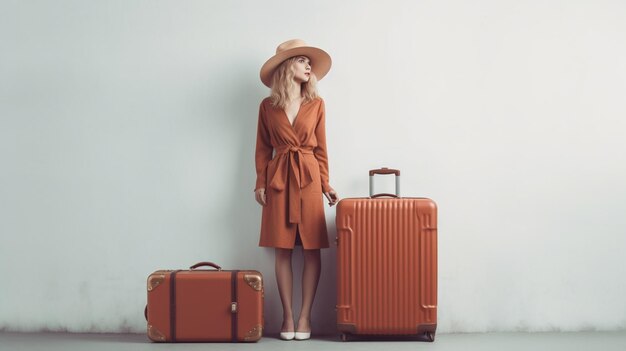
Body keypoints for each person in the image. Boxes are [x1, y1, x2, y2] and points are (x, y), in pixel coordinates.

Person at [254, 39, 338, 341]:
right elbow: (263, 149)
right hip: (279, 180)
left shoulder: (316, 104)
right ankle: (288, 317)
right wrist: (260, 182)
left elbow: (322, 149)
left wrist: (326, 184)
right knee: (283, 249)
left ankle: (305, 318)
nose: (308, 66)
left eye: (309, 62)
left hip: (309, 178)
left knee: (313, 248)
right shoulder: (268, 106)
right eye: (302, 60)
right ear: (288, 65)